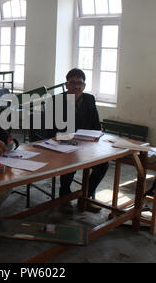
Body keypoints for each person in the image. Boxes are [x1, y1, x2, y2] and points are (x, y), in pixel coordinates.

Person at [55, 68, 109, 212]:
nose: (76, 86)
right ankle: (64, 195)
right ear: (66, 85)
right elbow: (53, 131)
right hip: (64, 142)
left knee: (103, 165)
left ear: (84, 85)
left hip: (86, 143)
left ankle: (85, 196)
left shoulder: (89, 99)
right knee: (71, 161)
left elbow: (96, 125)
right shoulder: (57, 101)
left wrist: (96, 138)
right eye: (73, 83)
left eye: (80, 83)